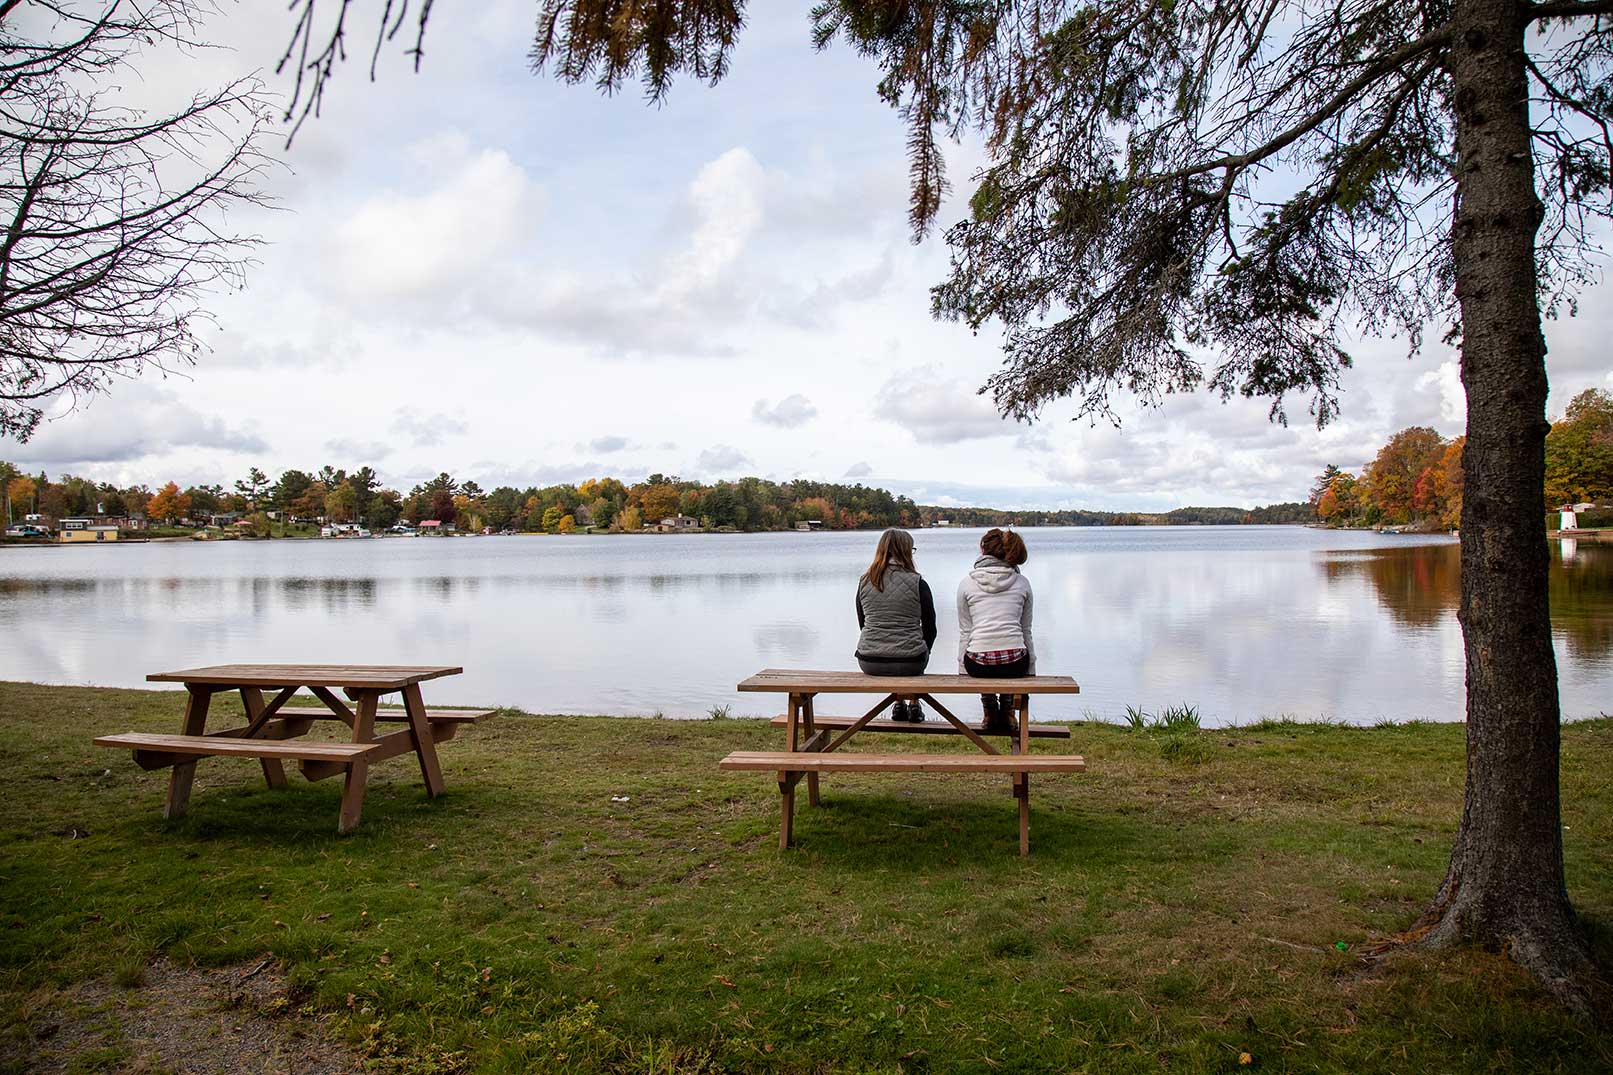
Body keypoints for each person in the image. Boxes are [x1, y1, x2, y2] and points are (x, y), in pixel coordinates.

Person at [854, 528, 937, 721]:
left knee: (904, 650)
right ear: (906, 551)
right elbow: (931, 628)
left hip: (869, 661)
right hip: (911, 663)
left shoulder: (864, 582)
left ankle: (898, 703)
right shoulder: (918, 583)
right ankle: (913, 703)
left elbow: (863, 623)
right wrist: (925, 650)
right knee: (914, 649)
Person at [957, 528, 1034, 732]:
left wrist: (962, 670)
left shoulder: (966, 583)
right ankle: (1008, 711)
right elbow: (1026, 630)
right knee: (1011, 652)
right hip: (1015, 664)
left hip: (978, 665)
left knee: (981, 653)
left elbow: (966, 631)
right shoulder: (1023, 583)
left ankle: (989, 709)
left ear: (983, 551)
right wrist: (1031, 668)